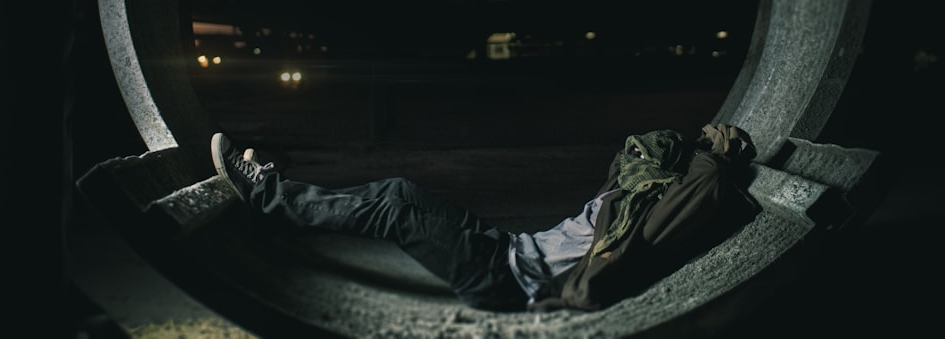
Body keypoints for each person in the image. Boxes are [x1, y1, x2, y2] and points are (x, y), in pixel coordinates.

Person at [210, 123, 759, 312]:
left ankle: (268, 196)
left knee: (400, 218)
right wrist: (677, 150)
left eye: (702, 147)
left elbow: (708, 183)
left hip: (506, 280)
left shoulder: (679, 200)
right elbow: (630, 156)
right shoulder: (642, 187)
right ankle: (288, 198)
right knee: (401, 189)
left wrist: (710, 155)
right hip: (507, 246)